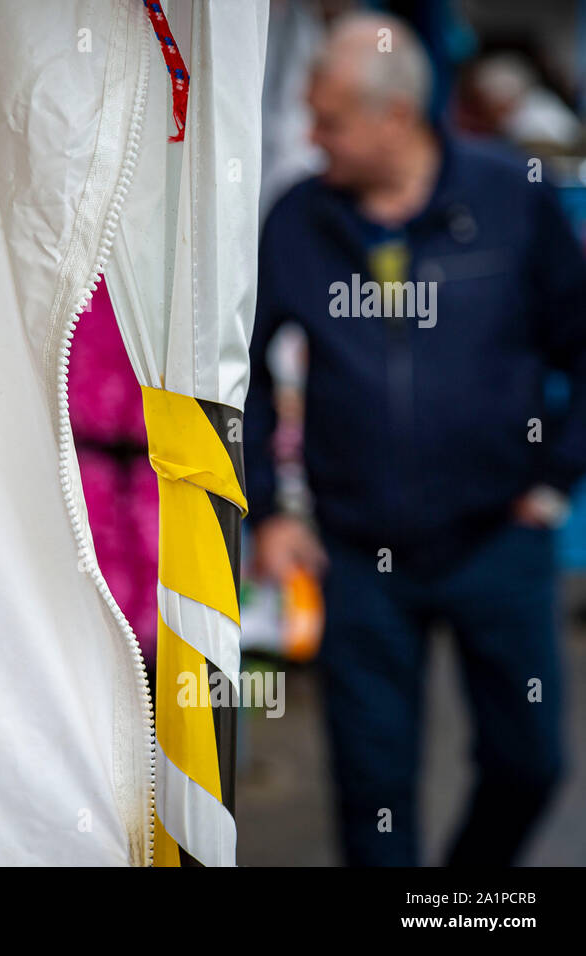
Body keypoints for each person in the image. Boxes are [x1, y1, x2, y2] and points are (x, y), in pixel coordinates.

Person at [244, 13, 586, 866]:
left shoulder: (513, 198)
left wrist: (553, 481)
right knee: (373, 792)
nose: (313, 140)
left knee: (529, 762)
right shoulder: (298, 221)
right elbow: (239, 370)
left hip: (499, 539)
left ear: (393, 115)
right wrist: (271, 511)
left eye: (329, 121)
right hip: (359, 557)